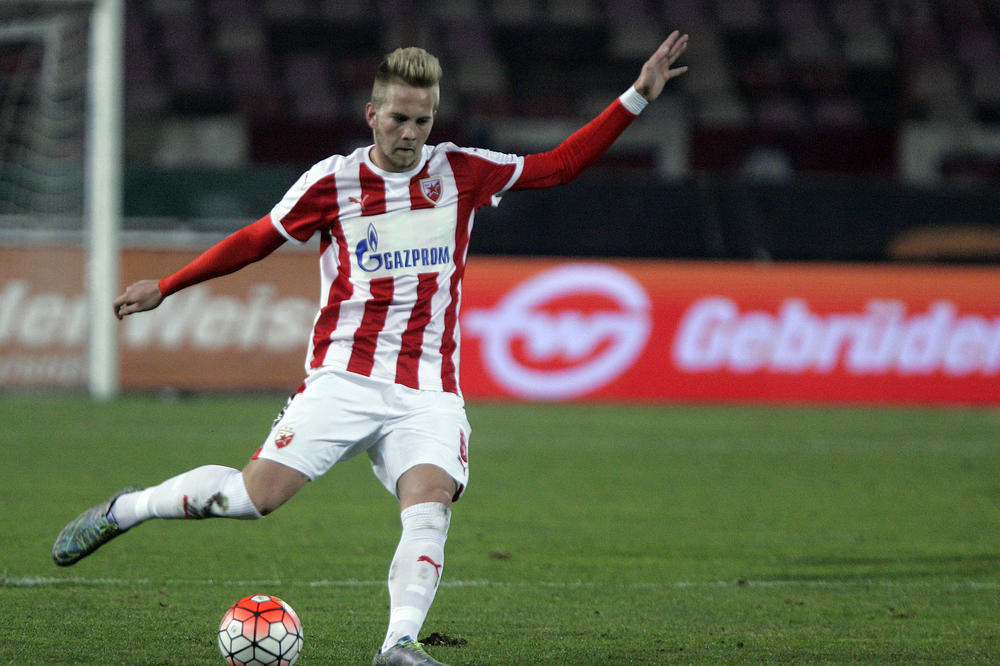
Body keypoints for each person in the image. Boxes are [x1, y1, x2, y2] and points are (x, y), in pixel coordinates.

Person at [52, 31, 688, 666]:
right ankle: (129, 508)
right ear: (372, 115)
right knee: (250, 499)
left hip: (429, 387)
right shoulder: (334, 182)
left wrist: (638, 94)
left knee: (430, 501)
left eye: (422, 120)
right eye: (398, 119)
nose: (410, 133)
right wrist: (166, 286)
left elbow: (560, 165)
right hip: (343, 377)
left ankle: (398, 645)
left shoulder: (461, 171)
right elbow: (255, 240)